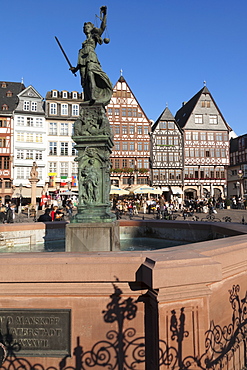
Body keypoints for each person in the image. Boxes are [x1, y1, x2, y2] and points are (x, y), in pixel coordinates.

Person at [70, 6, 113, 106]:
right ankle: (87, 99)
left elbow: (103, 26)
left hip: (91, 58)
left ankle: (93, 96)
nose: (86, 28)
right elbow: (79, 62)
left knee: (91, 75)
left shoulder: (94, 37)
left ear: (92, 28)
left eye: (88, 27)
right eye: (85, 27)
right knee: (84, 81)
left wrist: (105, 15)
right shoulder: (83, 44)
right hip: (82, 61)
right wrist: (75, 69)